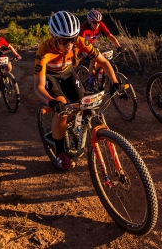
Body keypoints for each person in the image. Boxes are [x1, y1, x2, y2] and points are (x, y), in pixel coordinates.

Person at [33, 11, 124, 170]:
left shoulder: (81, 42)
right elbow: (38, 87)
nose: (69, 44)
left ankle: (71, 128)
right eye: (64, 40)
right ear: (54, 37)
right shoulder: (44, 50)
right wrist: (50, 101)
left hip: (68, 72)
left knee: (82, 104)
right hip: (50, 75)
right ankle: (60, 151)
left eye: (72, 39)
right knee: (61, 106)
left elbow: (103, 61)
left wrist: (115, 82)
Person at [78, 9, 122, 91]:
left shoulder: (101, 25)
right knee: (92, 60)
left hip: (92, 44)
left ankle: (99, 78)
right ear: (89, 21)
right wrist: (85, 55)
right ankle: (91, 82)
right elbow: (80, 43)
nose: (97, 24)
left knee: (101, 61)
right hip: (83, 46)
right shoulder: (84, 28)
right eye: (95, 22)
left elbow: (110, 36)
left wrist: (118, 46)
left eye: (99, 22)